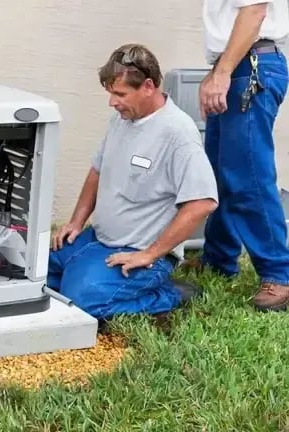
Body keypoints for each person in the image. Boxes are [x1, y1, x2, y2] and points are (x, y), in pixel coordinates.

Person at [47, 43, 219, 322]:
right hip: (96, 240)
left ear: (148, 86)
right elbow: (97, 171)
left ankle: (170, 294)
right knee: (32, 271)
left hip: (138, 253)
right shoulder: (121, 120)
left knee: (80, 304)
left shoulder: (177, 133)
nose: (112, 102)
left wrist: (150, 254)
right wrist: (76, 222)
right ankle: (84, 272)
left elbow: (202, 202)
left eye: (120, 94)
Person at [191, 0, 289, 312]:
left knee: (247, 175)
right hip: (237, 65)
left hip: (251, 66)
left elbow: (254, 11)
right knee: (220, 173)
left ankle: (280, 273)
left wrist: (221, 73)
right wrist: (217, 73)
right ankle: (219, 259)